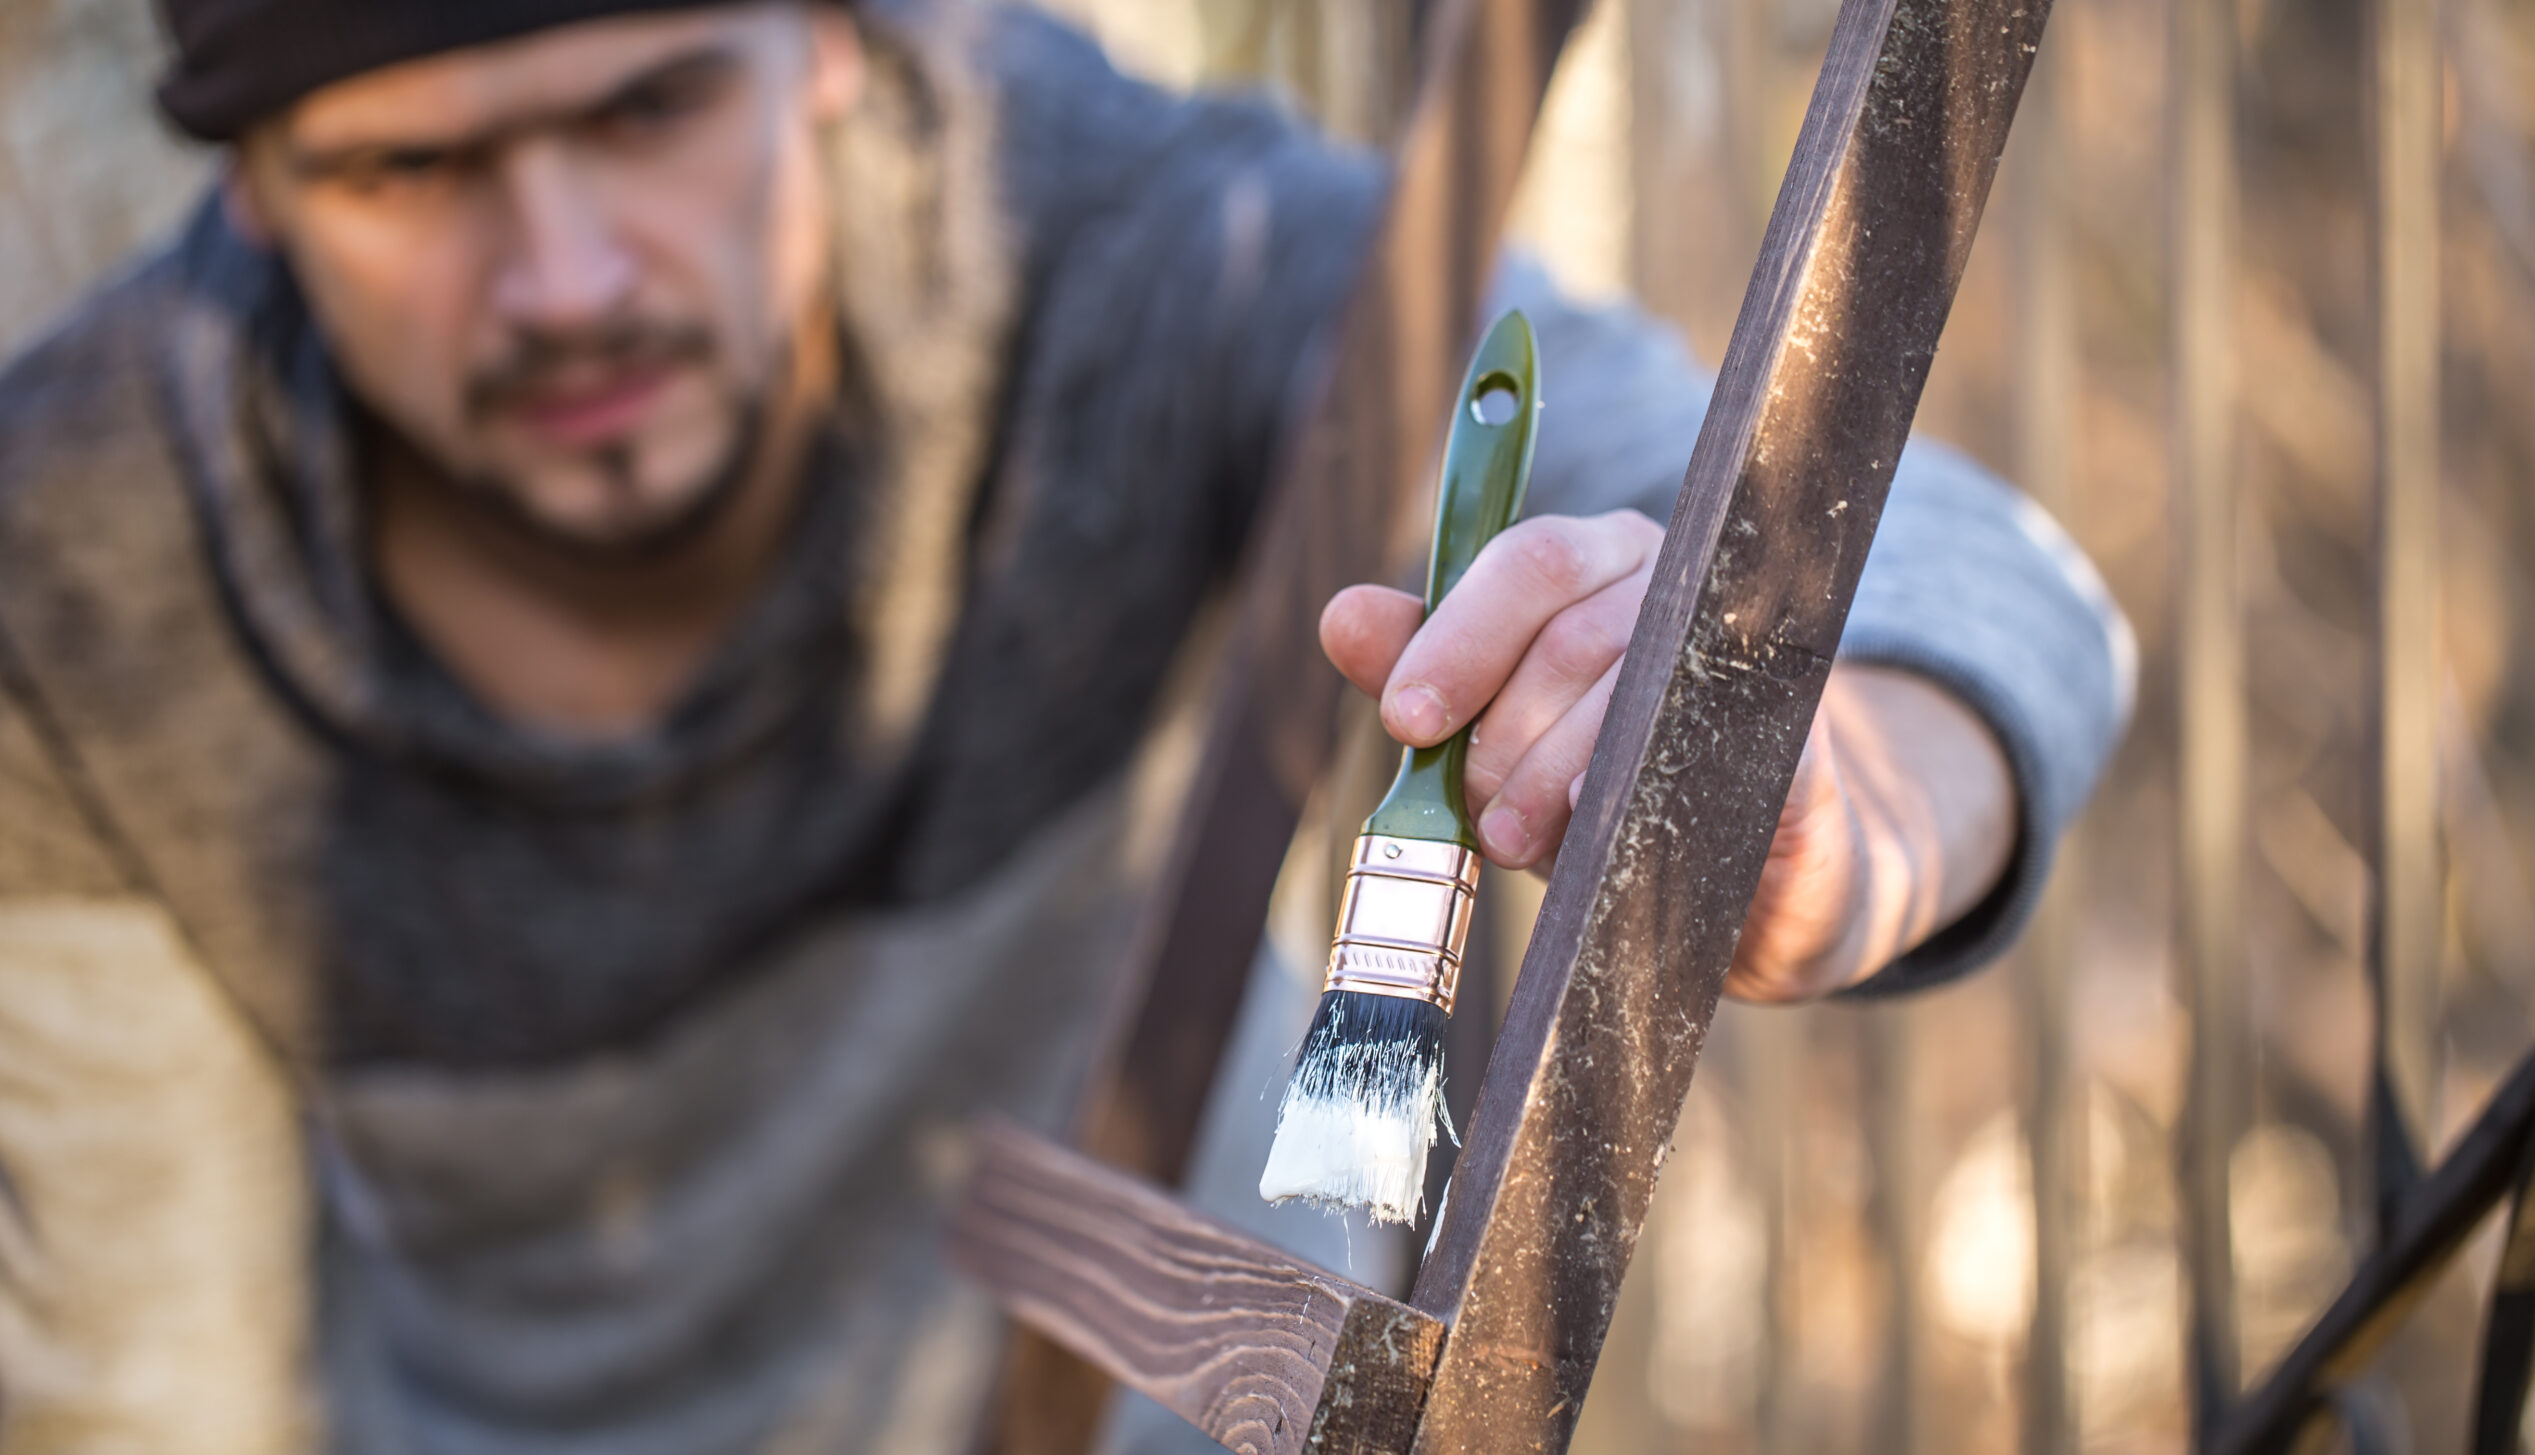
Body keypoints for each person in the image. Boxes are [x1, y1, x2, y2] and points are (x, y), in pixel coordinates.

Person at [0, 0, 2132, 1450]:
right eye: (408, 172)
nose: (561, 276)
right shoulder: (82, 568)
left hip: (1180, 1384)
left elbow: (1906, 536)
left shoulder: (1116, 240)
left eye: (645, 108)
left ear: (829, 42)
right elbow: (156, 1375)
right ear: (252, 191)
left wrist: (1838, 774)